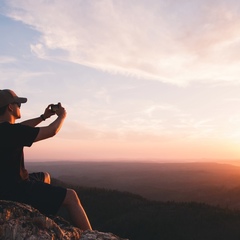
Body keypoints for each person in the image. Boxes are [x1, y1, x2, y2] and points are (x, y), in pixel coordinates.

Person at [0, 89, 92, 231]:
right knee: (71, 197)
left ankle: (39, 209)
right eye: (18, 104)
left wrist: (43, 117)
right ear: (10, 107)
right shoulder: (11, 132)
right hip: (15, 189)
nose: (19, 107)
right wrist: (62, 116)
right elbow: (51, 131)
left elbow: (22, 127)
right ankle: (92, 236)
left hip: (6, 185)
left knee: (45, 176)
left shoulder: (6, 130)